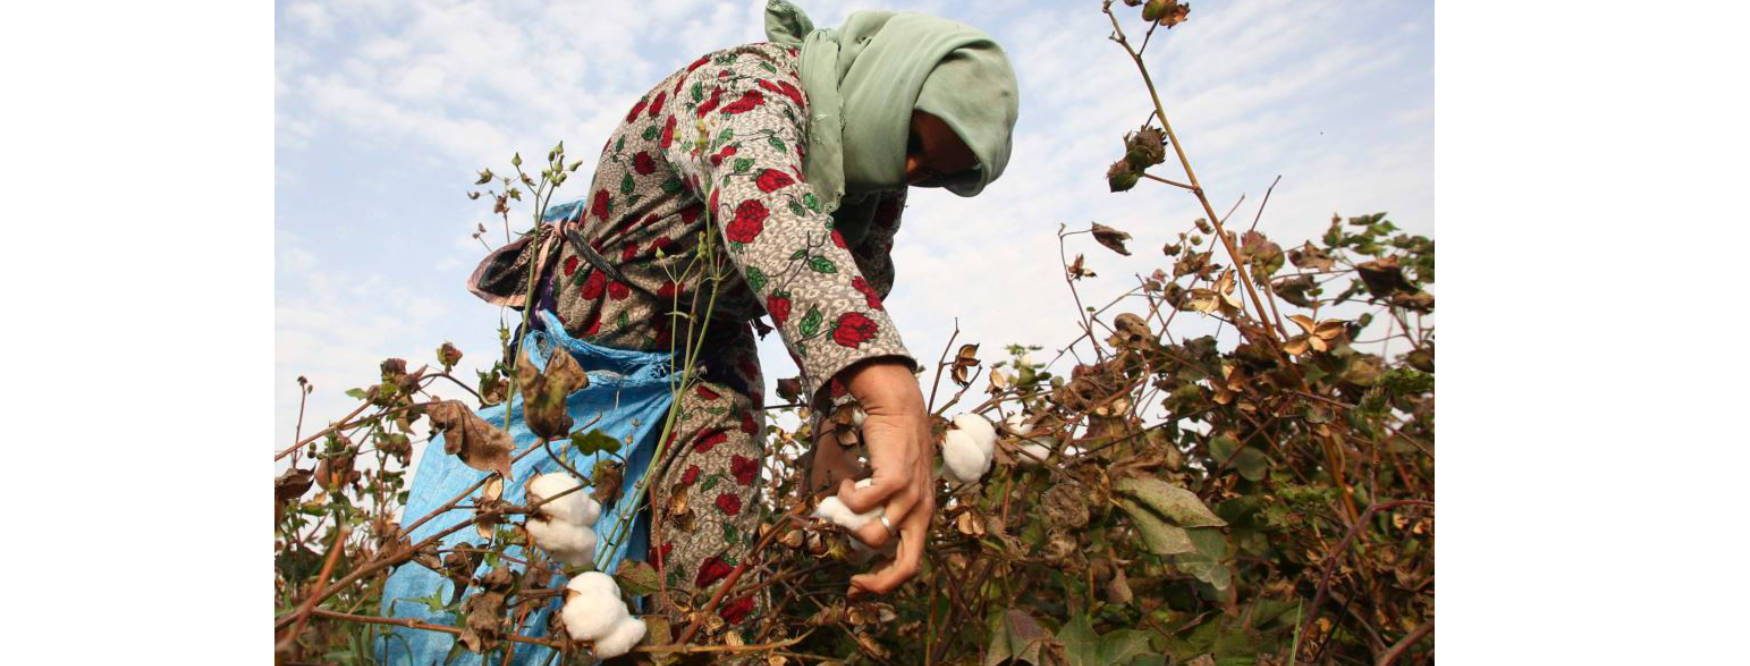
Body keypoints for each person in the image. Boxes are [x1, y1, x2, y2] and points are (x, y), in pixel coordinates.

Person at [474, 0, 1018, 636]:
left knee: (716, 598)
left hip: (711, 367)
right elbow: (764, 203)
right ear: (890, 78)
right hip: (590, 349)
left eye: (935, 175)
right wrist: (893, 400)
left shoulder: (872, 192)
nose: (907, 170)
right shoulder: (742, 84)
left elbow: (859, 288)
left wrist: (838, 431)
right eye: (915, 141)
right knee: (528, 560)